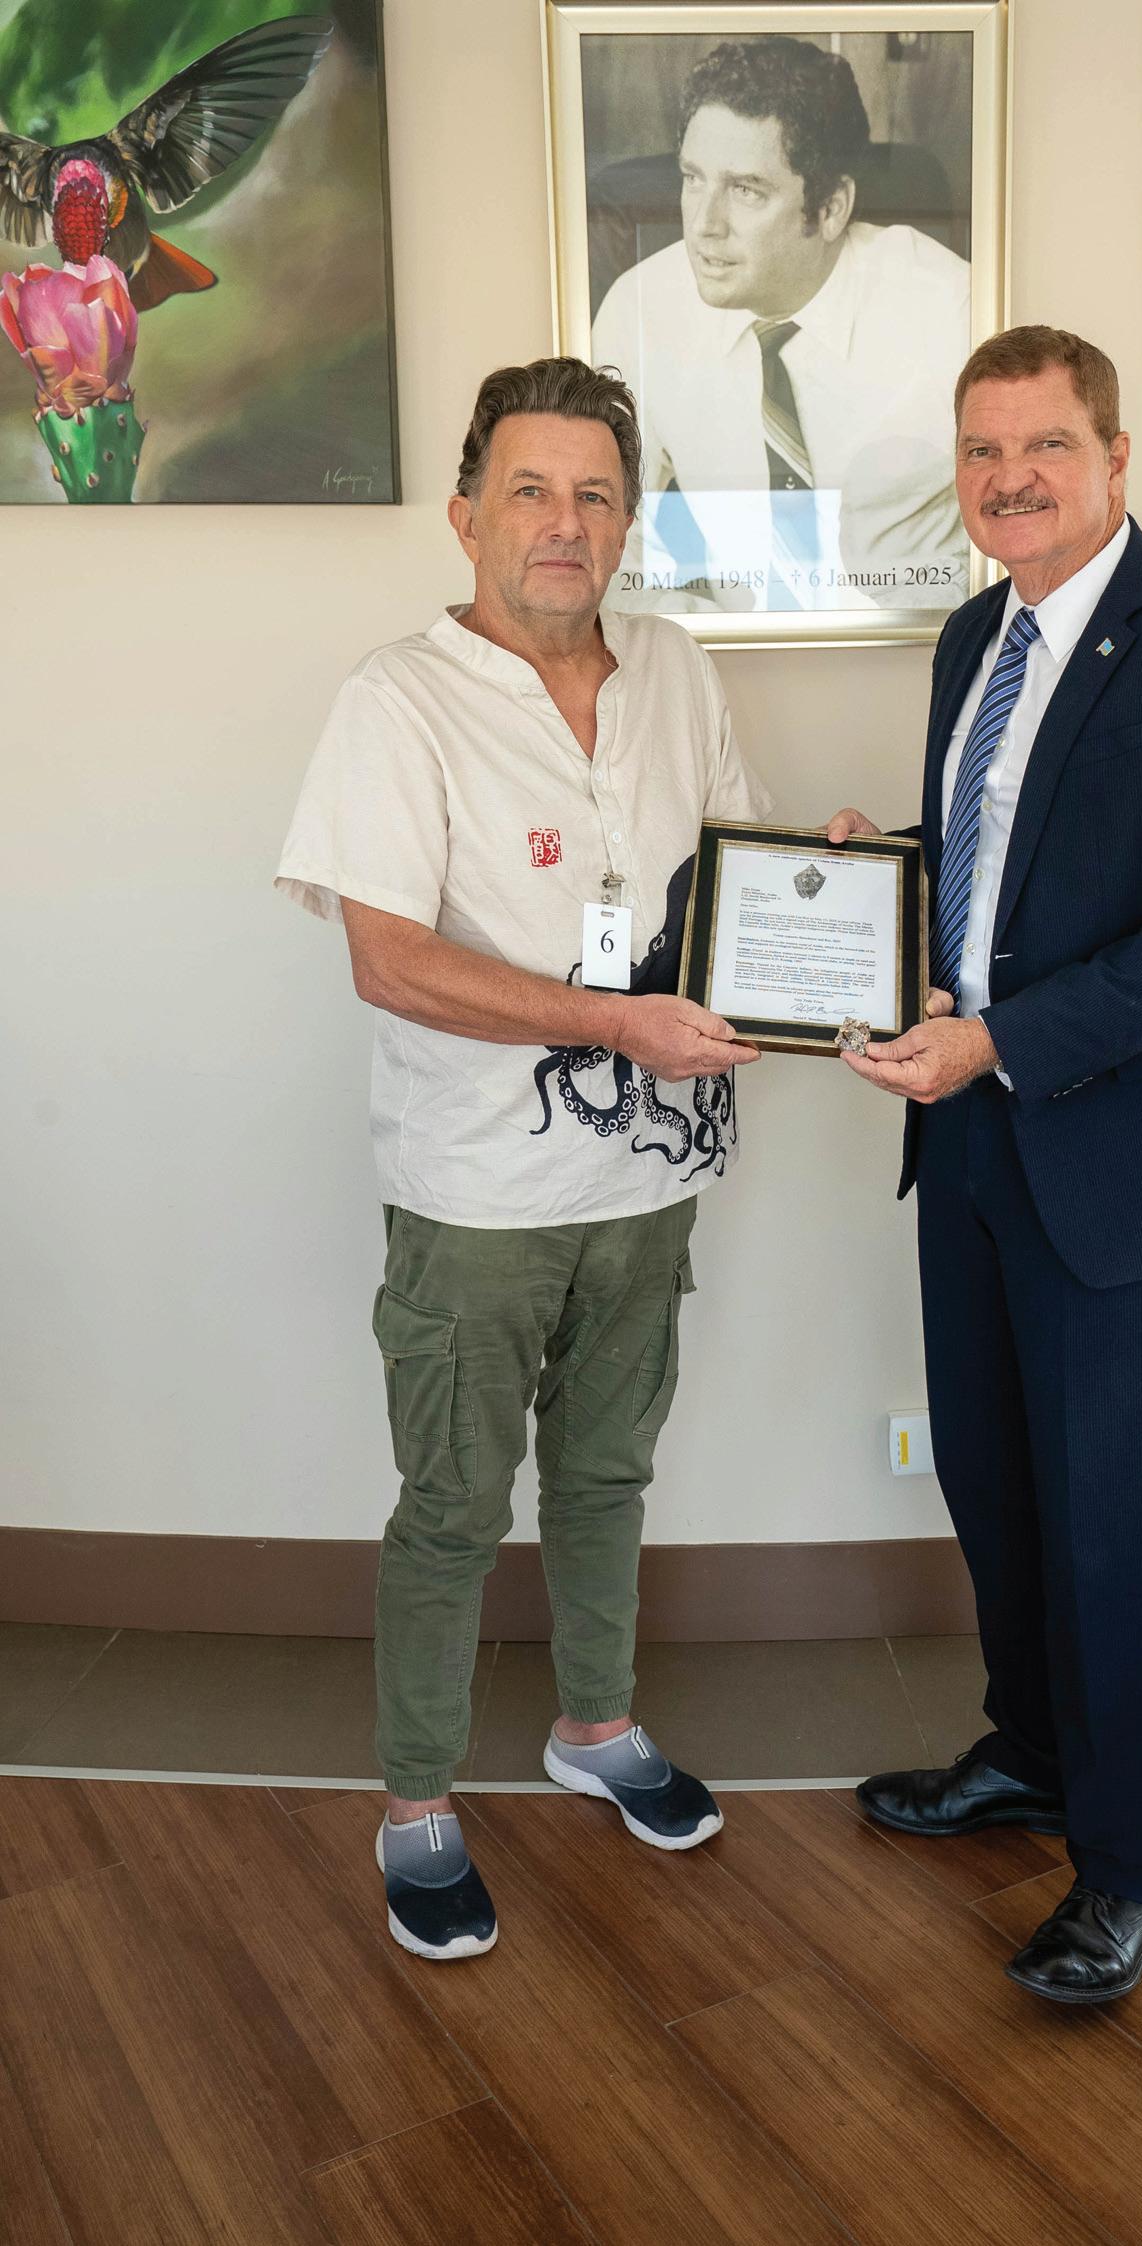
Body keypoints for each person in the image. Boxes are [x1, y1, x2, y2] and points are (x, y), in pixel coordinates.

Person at [827, 324, 1142, 2003]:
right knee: (995, 1483)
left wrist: (998, 1041)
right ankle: (1032, 1754)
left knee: (1108, 1528)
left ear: (1115, 457)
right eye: (983, 451)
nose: (1011, 477)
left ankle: (1126, 1869)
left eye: (1045, 445)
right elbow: (1003, 878)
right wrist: (870, 883)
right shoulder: (977, 636)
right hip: (968, 1140)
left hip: (1120, 1161)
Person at [276, 357, 772, 1961]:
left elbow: (731, 875)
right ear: (467, 513)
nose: (565, 523)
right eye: (532, 491)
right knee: (451, 1502)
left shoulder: (677, 669)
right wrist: (613, 1022)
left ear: (629, 522)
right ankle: (417, 1801)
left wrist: (822, 893)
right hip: (479, 1194)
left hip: (652, 1179)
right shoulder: (396, 699)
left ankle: (594, 1725)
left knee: (609, 1474)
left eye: (596, 494)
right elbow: (389, 959)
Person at [591, 36, 970, 613]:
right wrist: (710, 643)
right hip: (730, 648)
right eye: (693, 178)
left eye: (745, 190)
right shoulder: (640, 310)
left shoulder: (952, 311)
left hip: (920, 645)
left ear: (831, 208)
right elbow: (613, 539)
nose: (704, 224)